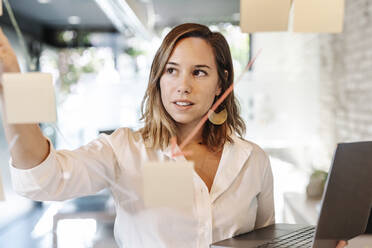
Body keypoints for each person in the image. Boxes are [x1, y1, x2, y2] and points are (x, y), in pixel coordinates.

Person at [0, 24, 347, 248]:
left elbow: (267, 240)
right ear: (158, 81)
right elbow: (39, 179)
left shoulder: (252, 159)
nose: (183, 85)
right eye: (171, 71)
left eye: (199, 72)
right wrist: (13, 82)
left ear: (220, 85)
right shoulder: (124, 150)